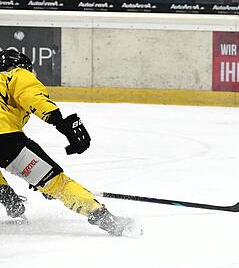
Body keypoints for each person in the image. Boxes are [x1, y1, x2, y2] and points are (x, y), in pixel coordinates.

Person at [0, 49, 137, 235]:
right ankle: (104, 217)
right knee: (58, 185)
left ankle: (9, 196)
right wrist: (60, 123)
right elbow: (33, 97)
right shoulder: (16, 74)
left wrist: (6, 193)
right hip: (5, 139)